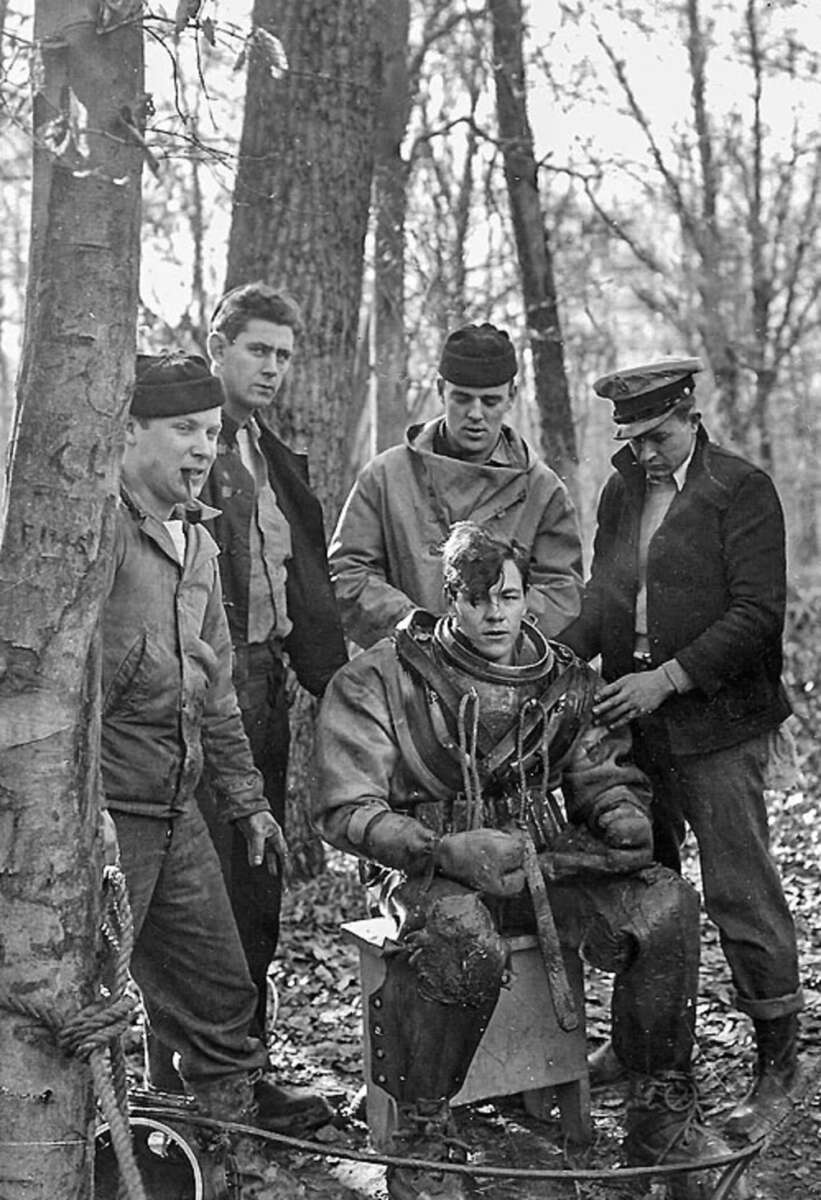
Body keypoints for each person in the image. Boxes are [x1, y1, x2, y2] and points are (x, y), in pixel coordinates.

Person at [314, 521, 731, 1200]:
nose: (494, 614)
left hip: (544, 860)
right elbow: (345, 806)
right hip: (429, 871)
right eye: (476, 600)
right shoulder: (380, 679)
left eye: (508, 597)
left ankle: (660, 1115)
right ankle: (422, 1139)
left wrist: (617, 809)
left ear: (526, 597)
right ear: (450, 598)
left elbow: (598, 768)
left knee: (663, 904)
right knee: (459, 937)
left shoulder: (563, 679)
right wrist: (440, 848)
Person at [559, 357, 803, 1139]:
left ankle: (777, 1064)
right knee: (643, 886)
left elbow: (757, 613)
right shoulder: (622, 490)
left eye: (657, 436)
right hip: (639, 728)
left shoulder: (740, 489)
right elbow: (603, 596)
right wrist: (552, 658)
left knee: (738, 889)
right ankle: (642, 1050)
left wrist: (666, 678)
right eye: (631, 440)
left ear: (690, 415)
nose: (646, 453)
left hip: (719, 725)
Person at [100, 353, 312, 1196]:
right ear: (129, 431)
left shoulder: (197, 538)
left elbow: (216, 690)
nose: (201, 448)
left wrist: (248, 803)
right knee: (81, 1012)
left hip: (176, 808)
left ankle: (230, 1164)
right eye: (183, 429)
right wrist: (76, 815)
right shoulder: (92, 532)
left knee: (222, 998)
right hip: (101, 819)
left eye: (211, 432)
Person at [146, 284, 346, 1132]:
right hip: (190, 693)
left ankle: (240, 1072)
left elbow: (299, 580)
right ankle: (181, 1086)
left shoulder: (269, 453)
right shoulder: (184, 454)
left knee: (254, 887)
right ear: (218, 347)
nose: (271, 368)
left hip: (263, 687)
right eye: (257, 350)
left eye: (283, 356)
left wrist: (335, 683)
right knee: (197, 895)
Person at [328, 321, 583, 649]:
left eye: (490, 401)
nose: (475, 414)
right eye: (462, 398)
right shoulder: (386, 476)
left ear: (512, 396)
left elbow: (562, 592)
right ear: (440, 390)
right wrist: (414, 625)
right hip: (400, 657)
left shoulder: (542, 491)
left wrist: (489, 627)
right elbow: (348, 572)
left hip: (502, 668)